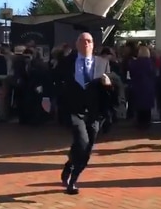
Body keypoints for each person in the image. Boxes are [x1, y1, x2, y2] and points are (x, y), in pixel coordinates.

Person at [48, 32, 123, 195]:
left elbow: (113, 85)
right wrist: (47, 97)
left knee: (86, 148)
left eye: (89, 41)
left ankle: (70, 167)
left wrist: (109, 84)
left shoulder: (103, 62)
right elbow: (52, 79)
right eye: (82, 41)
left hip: (95, 111)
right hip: (74, 110)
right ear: (77, 45)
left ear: (93, 45)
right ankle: (72, 181)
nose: (86, 44)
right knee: (81, 141)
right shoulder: (67, 62)